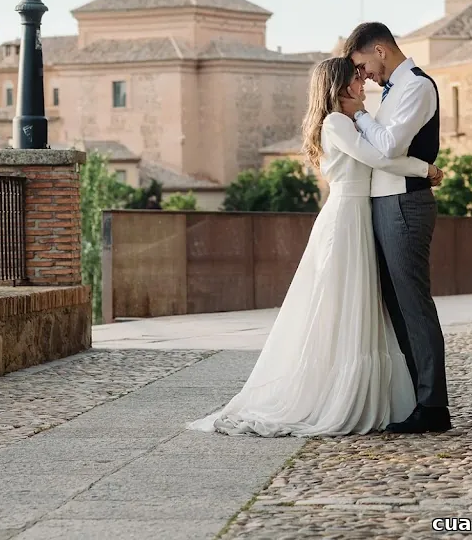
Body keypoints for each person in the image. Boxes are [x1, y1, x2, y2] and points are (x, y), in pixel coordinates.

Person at [187, 56, 442, 437]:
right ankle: (334, 394)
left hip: (355, 215)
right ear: (341, 87)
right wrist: (427, 170)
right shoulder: (337, 122)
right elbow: (377, 158)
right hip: (346, 219)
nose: (363, 84)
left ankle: (359, 390)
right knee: (339, 304)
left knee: (352, 304)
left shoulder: (347, 121)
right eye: (356, 79)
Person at [341, 22, 450, 434]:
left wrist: (360, 116)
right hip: (386, 202)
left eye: (363, 64)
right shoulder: (392, 91)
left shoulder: (417, 87)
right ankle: (416, 400)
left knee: (414, 305)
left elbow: (387, 147)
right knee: (396, 305)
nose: (364, 74)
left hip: (405, 204)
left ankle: (433, 407)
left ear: (381, 50)